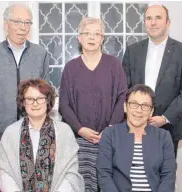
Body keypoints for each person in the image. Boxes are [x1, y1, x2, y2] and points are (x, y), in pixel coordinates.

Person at [59, 17, 128, 192]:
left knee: (109, 184)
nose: (91, 37)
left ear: (102, 38)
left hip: (109, 138)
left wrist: (110, 128)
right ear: (79, 38)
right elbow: (64, 104)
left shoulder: (114, 64)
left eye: (96, 33)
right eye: (87, 33)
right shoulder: (70, 68)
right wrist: (80, 129)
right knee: (81, 184)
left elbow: (122, 98)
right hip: (79, 140)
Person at [0, 3, 50, 161]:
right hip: (0, 133)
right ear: (6, 24)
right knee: (2, 182)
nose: (23, 27)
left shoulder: (41, 54)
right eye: (17, 21)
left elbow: (46, 91)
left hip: (33, 131)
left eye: (27, 22)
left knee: (32, 182)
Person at [122, 4, 182, 157]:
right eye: (149, 18)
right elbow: (124, 88)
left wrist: (164, 118)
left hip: (167, 127)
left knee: (164, 175)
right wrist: (136, 114)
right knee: (133, 174)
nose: (153, 23)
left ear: (168, 23)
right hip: (134, 126)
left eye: (158, 18)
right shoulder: (132, 50)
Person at [0, 79, 84, 192]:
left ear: (48, 101)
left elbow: (71, 173)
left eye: (40, 98)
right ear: (23, 102)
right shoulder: (10, 132)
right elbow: (4, 172)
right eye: (30, 99)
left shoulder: (64, 132)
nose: (35, 103)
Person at [97, 84, 176, 192]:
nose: (139, 110)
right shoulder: (110, 134)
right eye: (134, 104)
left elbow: (168, 176)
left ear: (151, 111)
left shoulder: (164, 137)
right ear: (125, 106)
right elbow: (104, 174)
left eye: (145, 106)